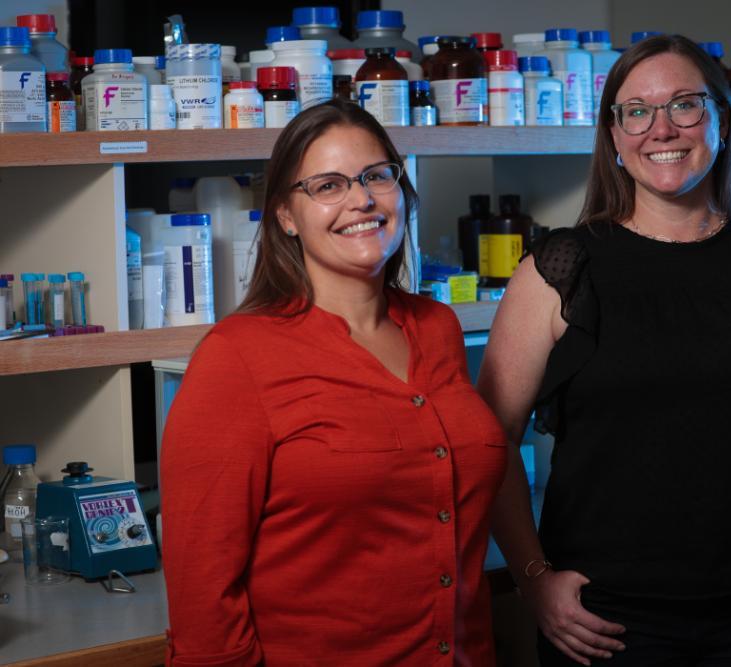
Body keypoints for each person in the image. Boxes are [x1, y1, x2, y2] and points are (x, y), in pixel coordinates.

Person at [479, 35, 731, 667]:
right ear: (613, 133)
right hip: (602, 625)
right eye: (637, 110)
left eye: (685, 105)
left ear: (720, 117)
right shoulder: (559, 268)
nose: (660, 128)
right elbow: (489, 440)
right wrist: (532, 579)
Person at [160, 99, 508, 666]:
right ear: (286, 216)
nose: (361, 199)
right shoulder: (236, 357)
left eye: (376, 176)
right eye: (327, 185)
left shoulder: (437, 327)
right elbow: (202, 590)